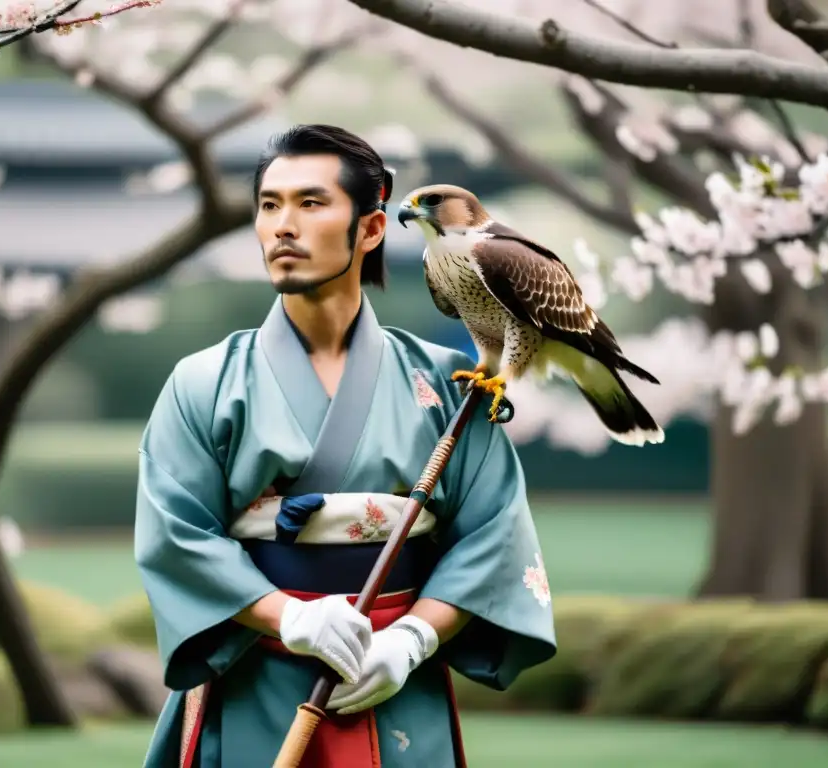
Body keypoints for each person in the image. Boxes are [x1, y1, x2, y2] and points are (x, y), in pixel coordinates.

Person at [134, 124, 557, 768]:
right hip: (258, 675)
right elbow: (175, 534)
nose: (282, 226)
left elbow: (496, 535)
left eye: (310, 203)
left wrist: (413, 639)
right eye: (269, 205)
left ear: (370, 229)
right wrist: (291, 619)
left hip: (390, 678)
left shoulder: (451, 386)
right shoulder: (204, 383)